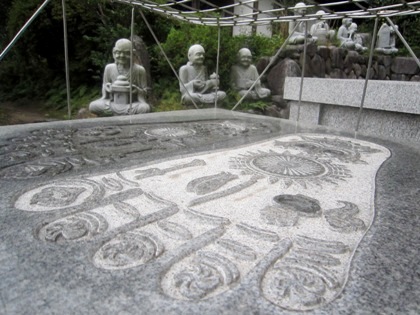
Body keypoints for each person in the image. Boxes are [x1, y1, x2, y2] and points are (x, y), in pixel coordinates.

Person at [89, 38, 151, 116]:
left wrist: (137, 90)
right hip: (112, 103)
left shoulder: (139, 70)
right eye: (118, 52)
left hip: (131, 104)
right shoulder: (109, 68)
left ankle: (115, 113)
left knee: (144, 108)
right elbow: (104, 87)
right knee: (92, 106)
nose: (122, 56)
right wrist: (107, 88)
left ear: (133, 54)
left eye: (126, 53)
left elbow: (145, 91)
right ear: (114, 53)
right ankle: (123, 113)